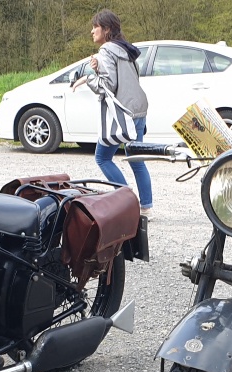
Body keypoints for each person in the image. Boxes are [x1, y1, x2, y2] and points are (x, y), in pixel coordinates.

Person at [80, 9, 152, 217]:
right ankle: (146, 207)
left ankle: (126, 202)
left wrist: (89, 78)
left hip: (123, 112)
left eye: (95, 26)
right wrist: (98, 69)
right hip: (138, 108)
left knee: (102, 158)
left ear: (106, 29)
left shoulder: (106, 50)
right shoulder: (126, 49)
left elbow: (108, 85)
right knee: (136, 159)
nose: (92, 31)